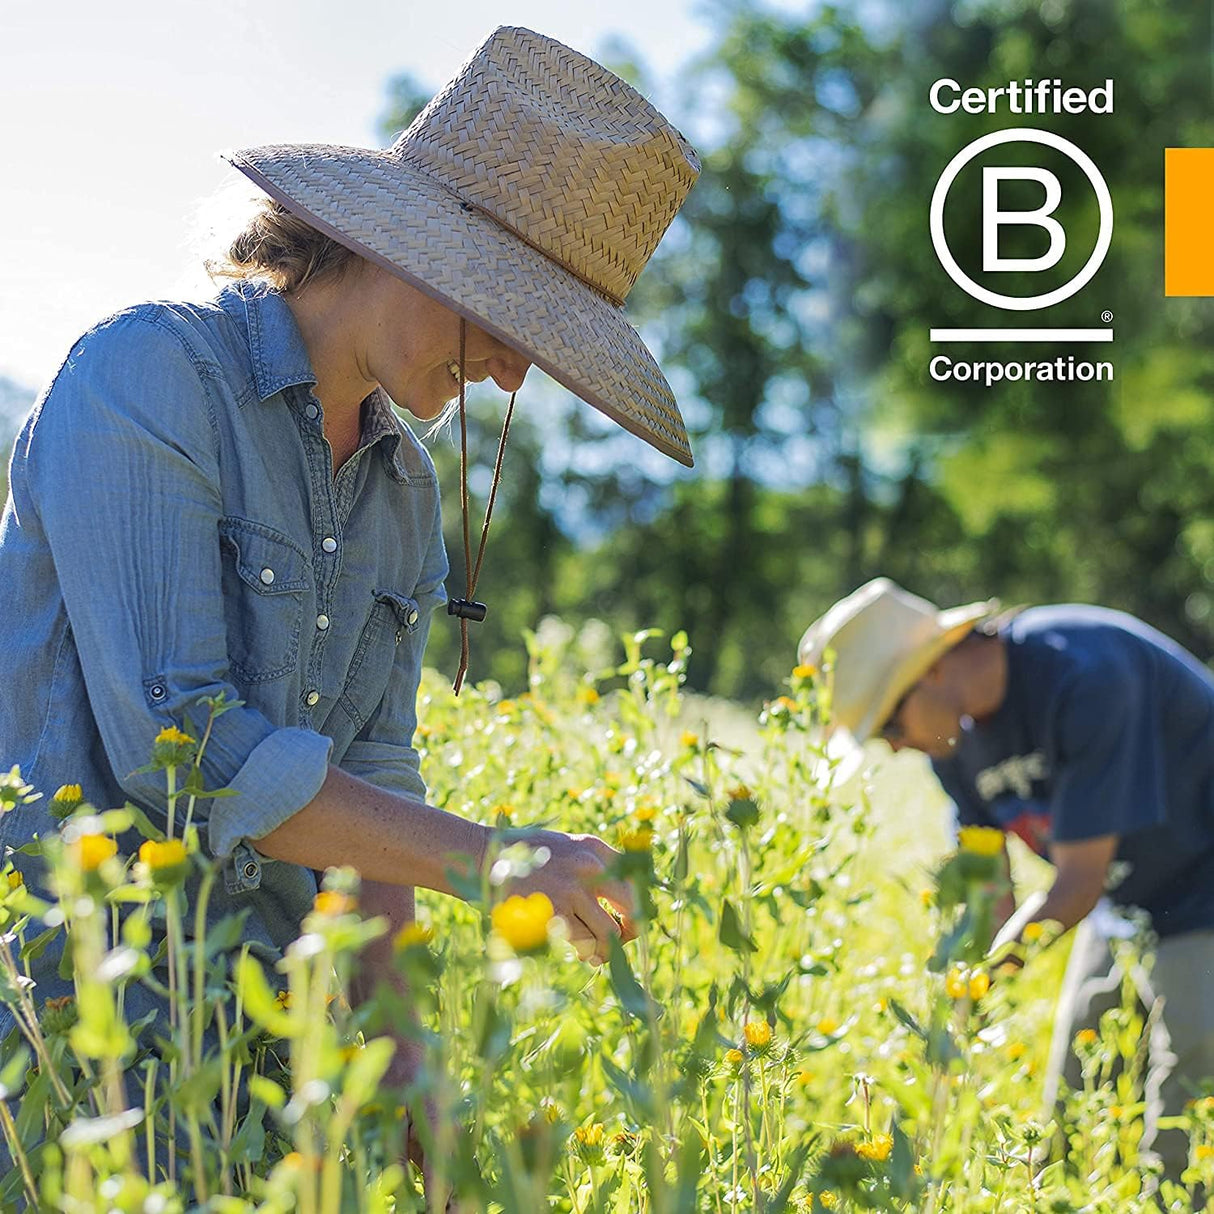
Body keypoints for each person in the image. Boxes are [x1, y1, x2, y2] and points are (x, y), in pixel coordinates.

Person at [0, 25, 699, 1205]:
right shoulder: (147, 378)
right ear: (409, 249)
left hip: (259, 1056)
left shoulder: (402, 491)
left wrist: (411, 1075)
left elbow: (375, 787)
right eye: (515, 320)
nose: (515, 376)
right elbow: (188, 757)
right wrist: (501, 858)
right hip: (69, 1040)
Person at [797, 577, 1214, 1180]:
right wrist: (958, 994)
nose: (893, 748)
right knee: (1070, 1107)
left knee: (1185, 1112)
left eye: (888, 725)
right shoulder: (951, 742)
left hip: (1200, 881)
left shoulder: (1083, 673)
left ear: (931, 670)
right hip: (1125, 895)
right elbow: (991, 891)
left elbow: (1076, 883)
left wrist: (986, 980)